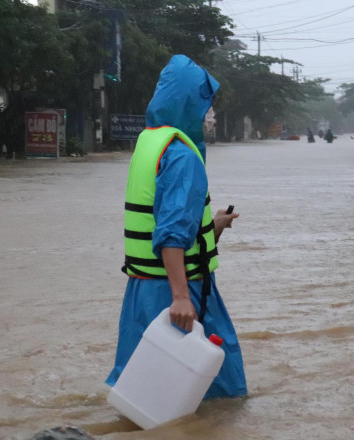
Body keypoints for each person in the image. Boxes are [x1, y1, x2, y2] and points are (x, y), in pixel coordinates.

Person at [106, 54, 248, 399]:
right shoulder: (183, 157)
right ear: (188, 104)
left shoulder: (150, 143)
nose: (210, 115)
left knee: (141, 391)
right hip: (180, 292)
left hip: (143, 291)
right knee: (222, 394)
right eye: (207, 105)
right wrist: (182, 297)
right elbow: (170, 235)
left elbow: (166, 227)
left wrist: (213, 227)